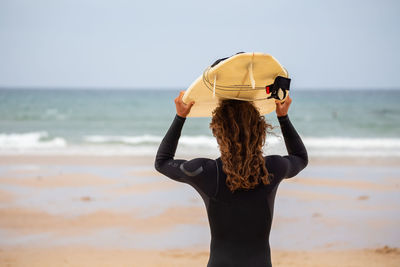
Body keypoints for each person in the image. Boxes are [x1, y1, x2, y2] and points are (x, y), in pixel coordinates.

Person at [154, 91, 308, 267]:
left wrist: (180, 116)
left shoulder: (205, 172)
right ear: (259, 129)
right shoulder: (272, 168)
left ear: (218, 132)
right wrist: (283, 117)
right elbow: (300, 157)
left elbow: (162, 162)